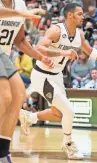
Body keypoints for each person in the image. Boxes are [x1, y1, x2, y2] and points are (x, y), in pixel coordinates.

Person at [19, 3, 97, 160]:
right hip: (42, 75)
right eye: (80, 14)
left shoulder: (79, 35)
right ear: (70, 15)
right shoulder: (56, 30)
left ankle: (29, 117)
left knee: (58, 113)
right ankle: (68, 144)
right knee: (69, 111)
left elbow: (91, 51)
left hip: (57, 76)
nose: (83, 17)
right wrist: (63, 52)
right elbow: (39, 48)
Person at [0, 6, 55, 163]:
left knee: (19, 94)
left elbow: (20, 40)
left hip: (2, 53)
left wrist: (40, 57)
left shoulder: (19, 3)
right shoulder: (19, 10)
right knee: (4, 96)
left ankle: (2, 152)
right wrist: (20, 14)